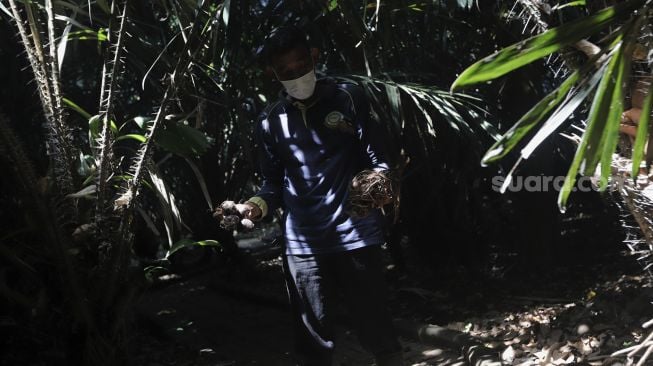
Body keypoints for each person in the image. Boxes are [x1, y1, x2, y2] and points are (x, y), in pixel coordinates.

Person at [221, 26, 404, 366]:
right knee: (313, 341)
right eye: (286, 72)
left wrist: (377, 188)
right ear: (272, 73)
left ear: (315, 57)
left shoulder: (348, 98)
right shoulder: (269, 122)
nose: (296, 75)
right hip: (303, 245)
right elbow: (272, 185)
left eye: (302, 64)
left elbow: (380, 161)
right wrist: (252, 208)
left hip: (356, 236)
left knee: (377, 328)